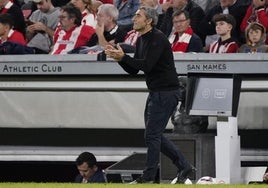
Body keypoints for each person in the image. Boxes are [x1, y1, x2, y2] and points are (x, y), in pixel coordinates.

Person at [105, 6, 194, 184]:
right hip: (156, 92)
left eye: (138, 16)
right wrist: (120, 59)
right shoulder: (141, 39)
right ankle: (184, 166)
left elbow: (147, 65)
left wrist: (124, 58)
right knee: (153, 135)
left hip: (167, 92)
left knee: (152, 135)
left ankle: (148, 177)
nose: (134, 19)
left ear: (149, 21)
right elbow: (134, 70)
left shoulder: (158, 39)